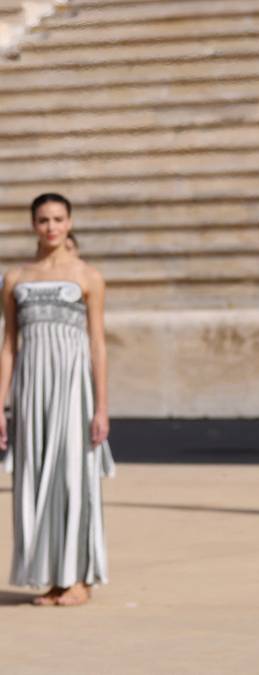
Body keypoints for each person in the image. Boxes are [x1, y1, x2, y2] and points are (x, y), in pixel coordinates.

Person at [1, 193, 114, 606]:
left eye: (58, 219)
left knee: (73, 477)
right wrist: (1, 404)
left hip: (72, 388)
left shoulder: (88, 276)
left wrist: (101, 407)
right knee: (34, 479)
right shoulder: (16, 278)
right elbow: (9, 345)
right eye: (44, 219)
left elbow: (97, 344)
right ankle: (54, 577)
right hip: (31, 392)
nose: (51, 226)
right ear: (33, 224)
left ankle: (80, 579)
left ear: (70, 223)